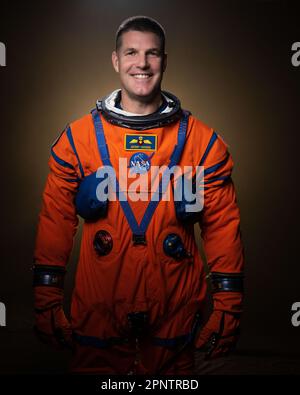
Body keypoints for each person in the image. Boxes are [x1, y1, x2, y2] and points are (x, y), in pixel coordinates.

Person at [33, 16, 244, 375]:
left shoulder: (201, 142)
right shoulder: (78, 140)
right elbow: (56, 220)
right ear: (116, 60)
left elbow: (223, 226)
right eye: (131, 52)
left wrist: (229, 303)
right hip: (98, 310)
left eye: (152, 54)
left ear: (164, 61)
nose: (142, 63)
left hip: (174, 311)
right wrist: (46, 298)